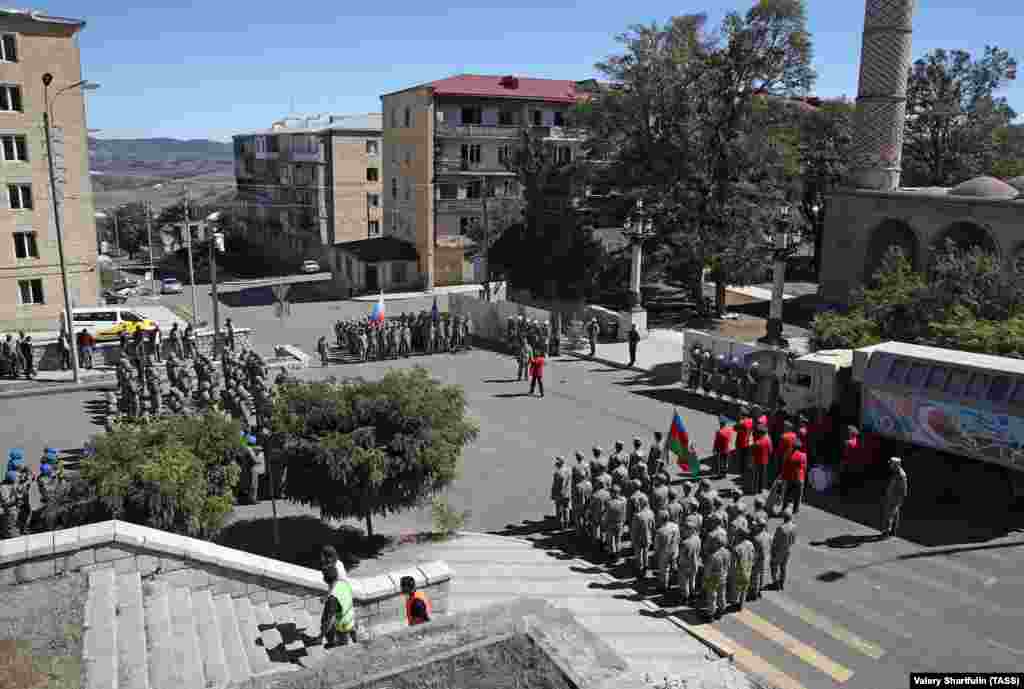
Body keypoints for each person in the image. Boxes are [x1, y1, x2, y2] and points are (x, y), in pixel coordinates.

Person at [321, 563, 357, 646]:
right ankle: (355, 641)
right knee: (353, 635)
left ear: (324, 579)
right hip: (352, 618)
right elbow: (335, 590)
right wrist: (326, 597)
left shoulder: (332, 599)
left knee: (343, 645)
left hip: (343, 626)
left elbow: (328, 621)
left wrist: (321, 635)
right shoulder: (344, 584)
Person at [702, 527, 731, 621]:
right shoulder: (727, 552)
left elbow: (708, 570)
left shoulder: (713, 556)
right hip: (723, 576)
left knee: (712, 597)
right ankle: (722, 611)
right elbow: (729, 565)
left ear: (717, 543)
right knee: (722, 594)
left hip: (713, 578)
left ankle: (711, 614)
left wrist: (705, 579)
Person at [728, 526, 755, 612]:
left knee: (735, 591)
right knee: (744, 590)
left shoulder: (737, 548)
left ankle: (733, 604)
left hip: (739, 572)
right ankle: (741, 606)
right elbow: (753, 557)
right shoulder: (750, 544)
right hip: (748, 570)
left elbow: (733, 564)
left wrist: (730, 574)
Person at [653, 509, 680, 593]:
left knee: (664, 570)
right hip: (675, 550)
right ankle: (673, 583)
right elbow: (678, 537)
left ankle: (664, 586)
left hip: (664, 553)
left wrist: (656, 553)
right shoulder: (675, 526)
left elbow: (657, 546)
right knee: (673, 567)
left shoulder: (660, 531)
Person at [677, 515, 701, 604]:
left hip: (685, 565)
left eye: (685, 529)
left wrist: (678, 564)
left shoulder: (685, 543)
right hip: (695, 563)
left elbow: (682, 556)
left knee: (684, 583)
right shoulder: (698, 539)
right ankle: (692, 595)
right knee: (692, 581)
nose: (683, 531)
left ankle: (684, 598)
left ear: (690, 530)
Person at [771, 508, 797, 591]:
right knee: (783, 567)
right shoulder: (794, 527)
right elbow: (793, 541)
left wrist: (773, 551)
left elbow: (775, 541)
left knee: (774, 566)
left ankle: (776, 583)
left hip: (779, 550)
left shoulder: (781, 528)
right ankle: (782, 583)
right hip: (788, 549)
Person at [882, 456, 907, 538]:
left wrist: (899, 499)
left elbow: (904, 488)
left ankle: (887, 532)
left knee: (889, 515)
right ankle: (892, 531)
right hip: (893, 497)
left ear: (896, 464)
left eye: (891, 464)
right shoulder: (896, 472)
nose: (890, 465)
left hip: (895, 498)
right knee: (894, 515)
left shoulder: (901, 475)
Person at [780, 438, 808, 515]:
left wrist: (783, 476)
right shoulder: (803, 456)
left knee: (787, 494)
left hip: (789, 477)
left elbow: (784, 466)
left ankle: (784, 508)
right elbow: (804, 468)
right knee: (798, 495)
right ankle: (795, 509)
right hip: (799, 478)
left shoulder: (787, 454)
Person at [630, 494, 655, 578]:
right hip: (648, 536)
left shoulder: (638, 515)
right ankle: (646, 568)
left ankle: (639, 569)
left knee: (638, 554)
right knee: (646, 553)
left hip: (639, 538)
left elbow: (634, 530)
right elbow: (653, 525)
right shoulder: (651, 513)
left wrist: (633, 539)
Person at [603, 484, 627, 561]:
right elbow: (624, 514)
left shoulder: (609, 502)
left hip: (610, 523)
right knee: (618, 540)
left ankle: (611, 554)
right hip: (619, 523)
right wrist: (623, 523)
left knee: (610, 540)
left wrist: (605, 523)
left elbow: (606, 514)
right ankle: (618, 555)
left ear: (613, 493)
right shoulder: (623, 502)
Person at [749, 517, 771, 601]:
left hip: (758, 560)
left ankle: (754, 594)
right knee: (762, 575)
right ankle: (759, 591)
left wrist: (752, 562)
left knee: (755, 577)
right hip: (766, 558)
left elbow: (755, 552)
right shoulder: (768, 535)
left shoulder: (756, 538)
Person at [550, 456, 572, 530]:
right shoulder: (568, 470)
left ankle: (560, 525)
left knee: (559, 510)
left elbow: (555, 485)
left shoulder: (557, 472)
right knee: (566, 509)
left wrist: (553, 495)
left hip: (559, 494)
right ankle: (567, 524)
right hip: (567, 493)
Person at [750, 424, 772, 495]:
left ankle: (754, 489)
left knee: (755, 476)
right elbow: (770, 451)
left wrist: (751, 462)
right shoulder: (768, 440)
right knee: (762, 475)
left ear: (759, 433)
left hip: (757, 461)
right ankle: (760, 489)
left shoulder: (757, 443)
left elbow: (753, 454)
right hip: (765, 461)